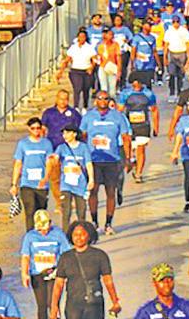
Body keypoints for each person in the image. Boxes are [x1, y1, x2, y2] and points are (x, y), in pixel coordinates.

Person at [81, 91, 132, 234]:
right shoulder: (88, 116)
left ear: (109, 100)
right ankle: (94, 222)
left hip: (112, 159)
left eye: (105, 99)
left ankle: (108, 223)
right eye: (100, 98)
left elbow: (126, 137)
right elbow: (82, 136)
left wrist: (128, 158)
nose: (103, 101)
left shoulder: (117, 116)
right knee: (93, 191)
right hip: (94, 160)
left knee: (111, 192)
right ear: (95, 100)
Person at [20, 210, 71, 319]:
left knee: (52, 303)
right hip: (37, 274)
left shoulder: (58, 234)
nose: (43, 232)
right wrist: (24, 274)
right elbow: (26, 256)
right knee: (41, 304)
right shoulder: (30, 236)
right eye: (40, 229)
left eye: (45, 228)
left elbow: (66, 254)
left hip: (55, 273)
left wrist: (64, 272)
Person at [11, 117, 56, 231]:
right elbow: (18, 163)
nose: (36, 131)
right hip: (27, 183)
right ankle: (30, 234)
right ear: (29, 129)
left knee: (40, 212)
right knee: (30, 210)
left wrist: (46, 178)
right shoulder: (23, 144)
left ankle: (41, 233)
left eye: (38, 128)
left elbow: (49, 162)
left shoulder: (47, 144)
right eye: (33, 128)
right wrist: (14, 184)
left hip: (41, 185)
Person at [118, 76, 159, 182]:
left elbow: (154, 110)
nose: (136, 86)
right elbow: (119, 110)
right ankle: (132, 161)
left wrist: (156, 127)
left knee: (141, 149)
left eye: (138, 84)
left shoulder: (148, 94)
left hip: (143, 126)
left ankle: (138, 174)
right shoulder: (125, 93)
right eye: (134, 84)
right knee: (129, 150)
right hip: (129, 126)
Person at [55, 124, 94, 233]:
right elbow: (55, 159)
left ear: (74, 134)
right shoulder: (61, 148)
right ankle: (66, 234)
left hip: (80, 184)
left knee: (81, 212)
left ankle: (81, 233)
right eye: (63, 133)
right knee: (66, 211)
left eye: (67, 133)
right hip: (66, 184)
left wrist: (91, 179)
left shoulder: (83, 147)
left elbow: (88, 164)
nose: (65, 135)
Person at [61, 28, 97, 109]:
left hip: (86, 71)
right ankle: (76, 106)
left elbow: (94, 59)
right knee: (77, 88)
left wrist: (91, 67)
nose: (82, 38)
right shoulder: (73, 47)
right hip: (75, 71)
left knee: (86, 89)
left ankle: (85, 106)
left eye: (83, 37)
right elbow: (67, 59)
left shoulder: (89, 47)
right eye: (80, 37)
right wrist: (61, 71)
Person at [164, 15, 189, 98]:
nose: (175, 24)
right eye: (174, 22)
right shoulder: (169, 31)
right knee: (171, 73)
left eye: (177, 22)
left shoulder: (184, 31)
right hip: (172, 53)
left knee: (180, 74)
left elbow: (188, 44)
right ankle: (172, 92)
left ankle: (179, 92)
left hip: (182, 53)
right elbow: (166, 45)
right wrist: (165, 57)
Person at [95, 28, 123, 96]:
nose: (110, 36)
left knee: (112, 90)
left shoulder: (115, 45)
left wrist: (119, 70)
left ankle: (112, 101)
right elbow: (98, 57)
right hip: (102, 67)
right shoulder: (100, 45)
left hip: (112, 68)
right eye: (109, 34)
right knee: (104, 88)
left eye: (112, 35)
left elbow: (118, 58)